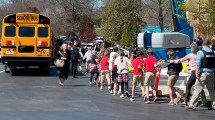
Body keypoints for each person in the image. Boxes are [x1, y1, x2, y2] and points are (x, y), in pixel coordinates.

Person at [186, 40, 215, 110]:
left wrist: (196, 73)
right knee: (211, 90)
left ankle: (192, 105)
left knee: (197, 89)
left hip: (203, 73)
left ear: (202, 45)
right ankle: (214, 104)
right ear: (209, 45)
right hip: (211, 73)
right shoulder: (213, 52)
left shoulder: (201, 52)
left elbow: (198, 64)